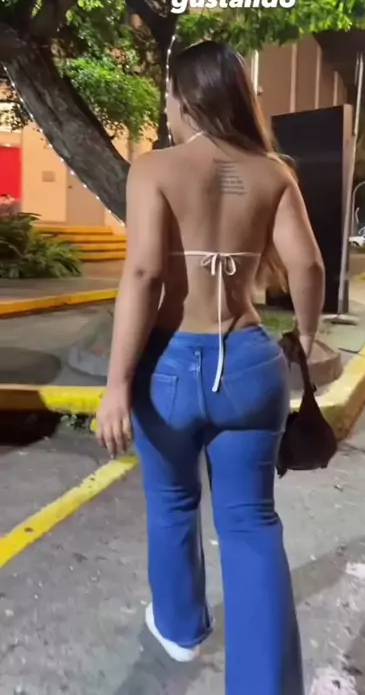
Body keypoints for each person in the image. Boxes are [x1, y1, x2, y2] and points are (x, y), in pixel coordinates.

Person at [96, 41, 325, 695]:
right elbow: (308, 266)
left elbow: (143, 274)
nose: (168, 109)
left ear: (185, 99)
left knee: (172, 501)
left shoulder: (154, 169)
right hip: (250, 366)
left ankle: (180, 627)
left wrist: (116, 385)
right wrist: (306, 338)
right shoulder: (273, 173)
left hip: (169, 367)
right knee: (251, 523)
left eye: (169, 97)